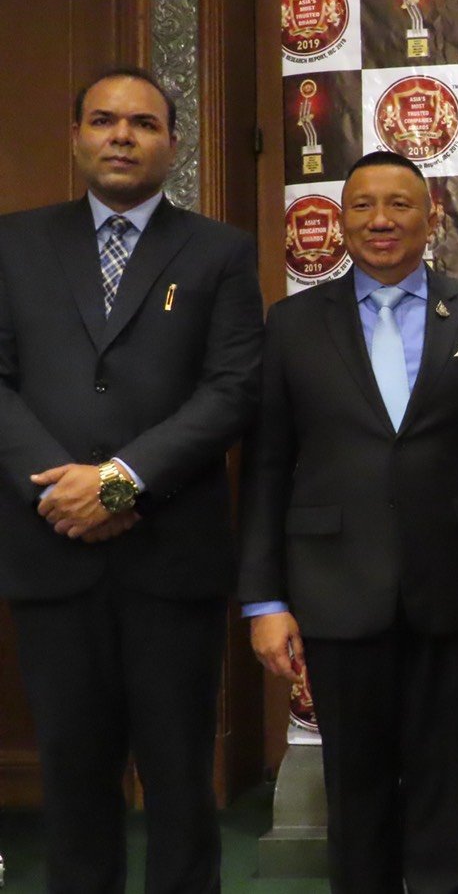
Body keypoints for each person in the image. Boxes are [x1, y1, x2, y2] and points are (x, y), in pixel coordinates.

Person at [238, 150, 458, 894]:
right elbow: (268, 466)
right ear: (340, 221)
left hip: (452, 584)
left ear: (433, 218)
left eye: (399, 204)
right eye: (362, 205)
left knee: (442, 782)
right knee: (355, 786)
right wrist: (264, 599)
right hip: (336, 586)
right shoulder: (293, 323)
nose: (380, 220)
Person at [0, 66, 264, 892]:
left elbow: (233, 390)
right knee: (74, 780)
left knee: (181, 779)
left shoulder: (220, 251)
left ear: (172, 144)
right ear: (76, 136)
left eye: (144, 123)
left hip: (170, 556)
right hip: (51, 551)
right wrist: (59, 492)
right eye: (105, 120)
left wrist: (118, 484)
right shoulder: (13, 243)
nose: (123, 136)